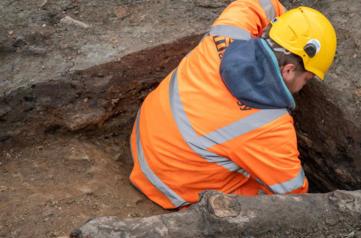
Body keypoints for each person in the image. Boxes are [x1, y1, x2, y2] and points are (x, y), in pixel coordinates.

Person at [129, 0, 337, 209]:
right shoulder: (270, 127)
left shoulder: (229, 32)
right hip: (171, 187)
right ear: (289, 70)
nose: (304, 86)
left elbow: (258, 4)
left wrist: (290, 25)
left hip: (144, 138)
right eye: (307, 79)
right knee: (267, 203)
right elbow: (295, 194)